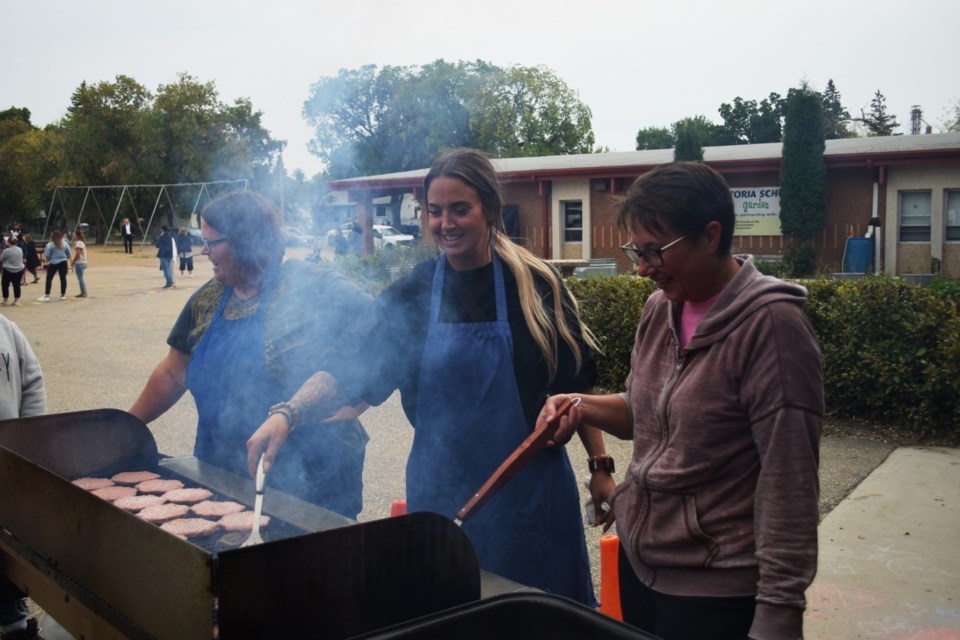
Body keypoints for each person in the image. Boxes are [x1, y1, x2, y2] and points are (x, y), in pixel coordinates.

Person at [260, 148, 607, 605]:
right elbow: (350, 367)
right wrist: (288, 413)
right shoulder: (415, 292)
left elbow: (579, 384)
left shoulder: (535, 285)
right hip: (441, 497)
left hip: (529, 502)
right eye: (435, 211)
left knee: (536, 621)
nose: (446, 223)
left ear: (490, 209)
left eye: (460, 209)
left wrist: (600, 466)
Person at [538, 162, 823, 640]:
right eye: (635, 250)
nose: (643, 267)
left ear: (710, 236)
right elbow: (642, 411)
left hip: (714, 589)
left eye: (654, 251)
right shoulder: (660, 308)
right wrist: (578, 403)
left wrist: (780, 610)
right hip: (642, 567)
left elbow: (789, 483)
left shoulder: (772, 326)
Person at [129, 191, 373, 517]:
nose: (204, 250)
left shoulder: (313, 286)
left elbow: (382, 329)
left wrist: (362, 397)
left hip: (312, 481)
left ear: (247, 241)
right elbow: (174, 373)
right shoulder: (208, 300)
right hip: (224, 473)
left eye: (212, 242)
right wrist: (125, 426)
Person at [0, 314, 45, 639]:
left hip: (8, 461)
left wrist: (27, 441)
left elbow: (31, 382)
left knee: (6, 548)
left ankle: (14, 624)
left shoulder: (6, 329)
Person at [38, 230, 70, 302]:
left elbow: (47, 255)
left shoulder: (50, 245)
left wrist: (50, 260)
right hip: (63, 262)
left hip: (53, 262)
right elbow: (69, 254)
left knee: (49, 279)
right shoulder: (65, 244)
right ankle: (62, 295)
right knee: (63, 278)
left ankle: (47, 295)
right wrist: (65, 258)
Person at [1, 237, 24, 306]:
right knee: (16, 285)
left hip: (8, 270)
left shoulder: (6, 251)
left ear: (8, 242)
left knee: (5, 285)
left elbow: (1, 259)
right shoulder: (20, 249)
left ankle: (5, 299)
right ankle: (16, 300)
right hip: (19, 270)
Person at [71, 229, 89, 298]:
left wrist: (73, 261)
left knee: (80, 278)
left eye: (74, 234)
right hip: (82, 262)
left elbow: (78, 254)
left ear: (77, 235)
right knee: (80, 278)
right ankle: (83, 292)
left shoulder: (78, 243)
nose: (73, 235)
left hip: (79, 262)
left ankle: (84, 292)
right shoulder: (79, 242)